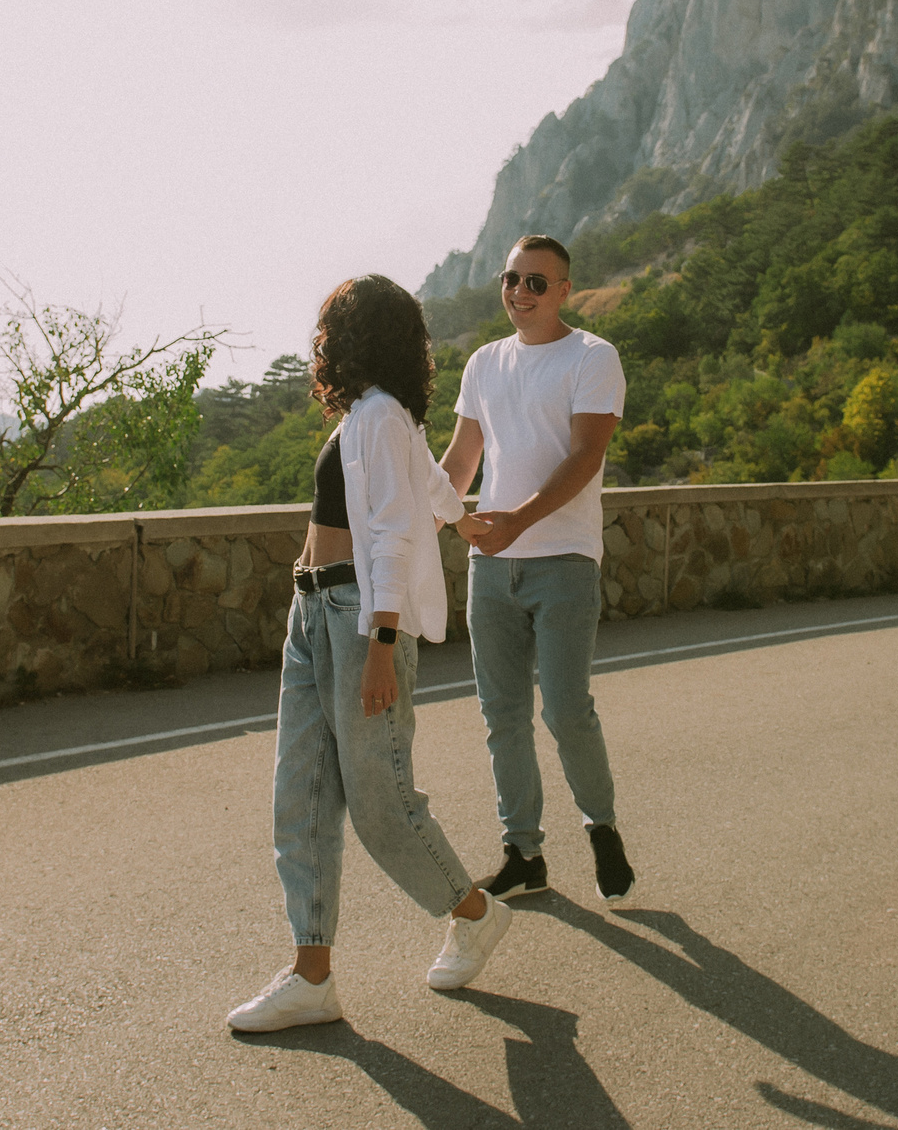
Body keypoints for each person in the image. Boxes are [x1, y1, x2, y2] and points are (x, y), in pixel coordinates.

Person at [227, 274, 511, 1033]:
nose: (322, 340)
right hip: (312, 610)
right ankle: (310, 976)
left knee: (380, 801)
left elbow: (389, 531)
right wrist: (464, 520)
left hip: (358, 618)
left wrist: (383, 642)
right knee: (302, 797)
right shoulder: (377, 416)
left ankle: (475, 912)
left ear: (356, 335)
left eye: (332, 327)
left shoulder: (380, 415)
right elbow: (427, 481)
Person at [441, 234, 638, 905]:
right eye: (511, 279)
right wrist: (428, 514)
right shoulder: (484, 363)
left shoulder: (592, 356)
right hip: (492, 567)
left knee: (566, 708)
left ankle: (601, 825)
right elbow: (461, 461)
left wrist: (518, 521)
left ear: (563, 291)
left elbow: (586, 456)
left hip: (564, 562)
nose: (519, 293)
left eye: (535, 282)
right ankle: (523, 853)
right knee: (502, 715)